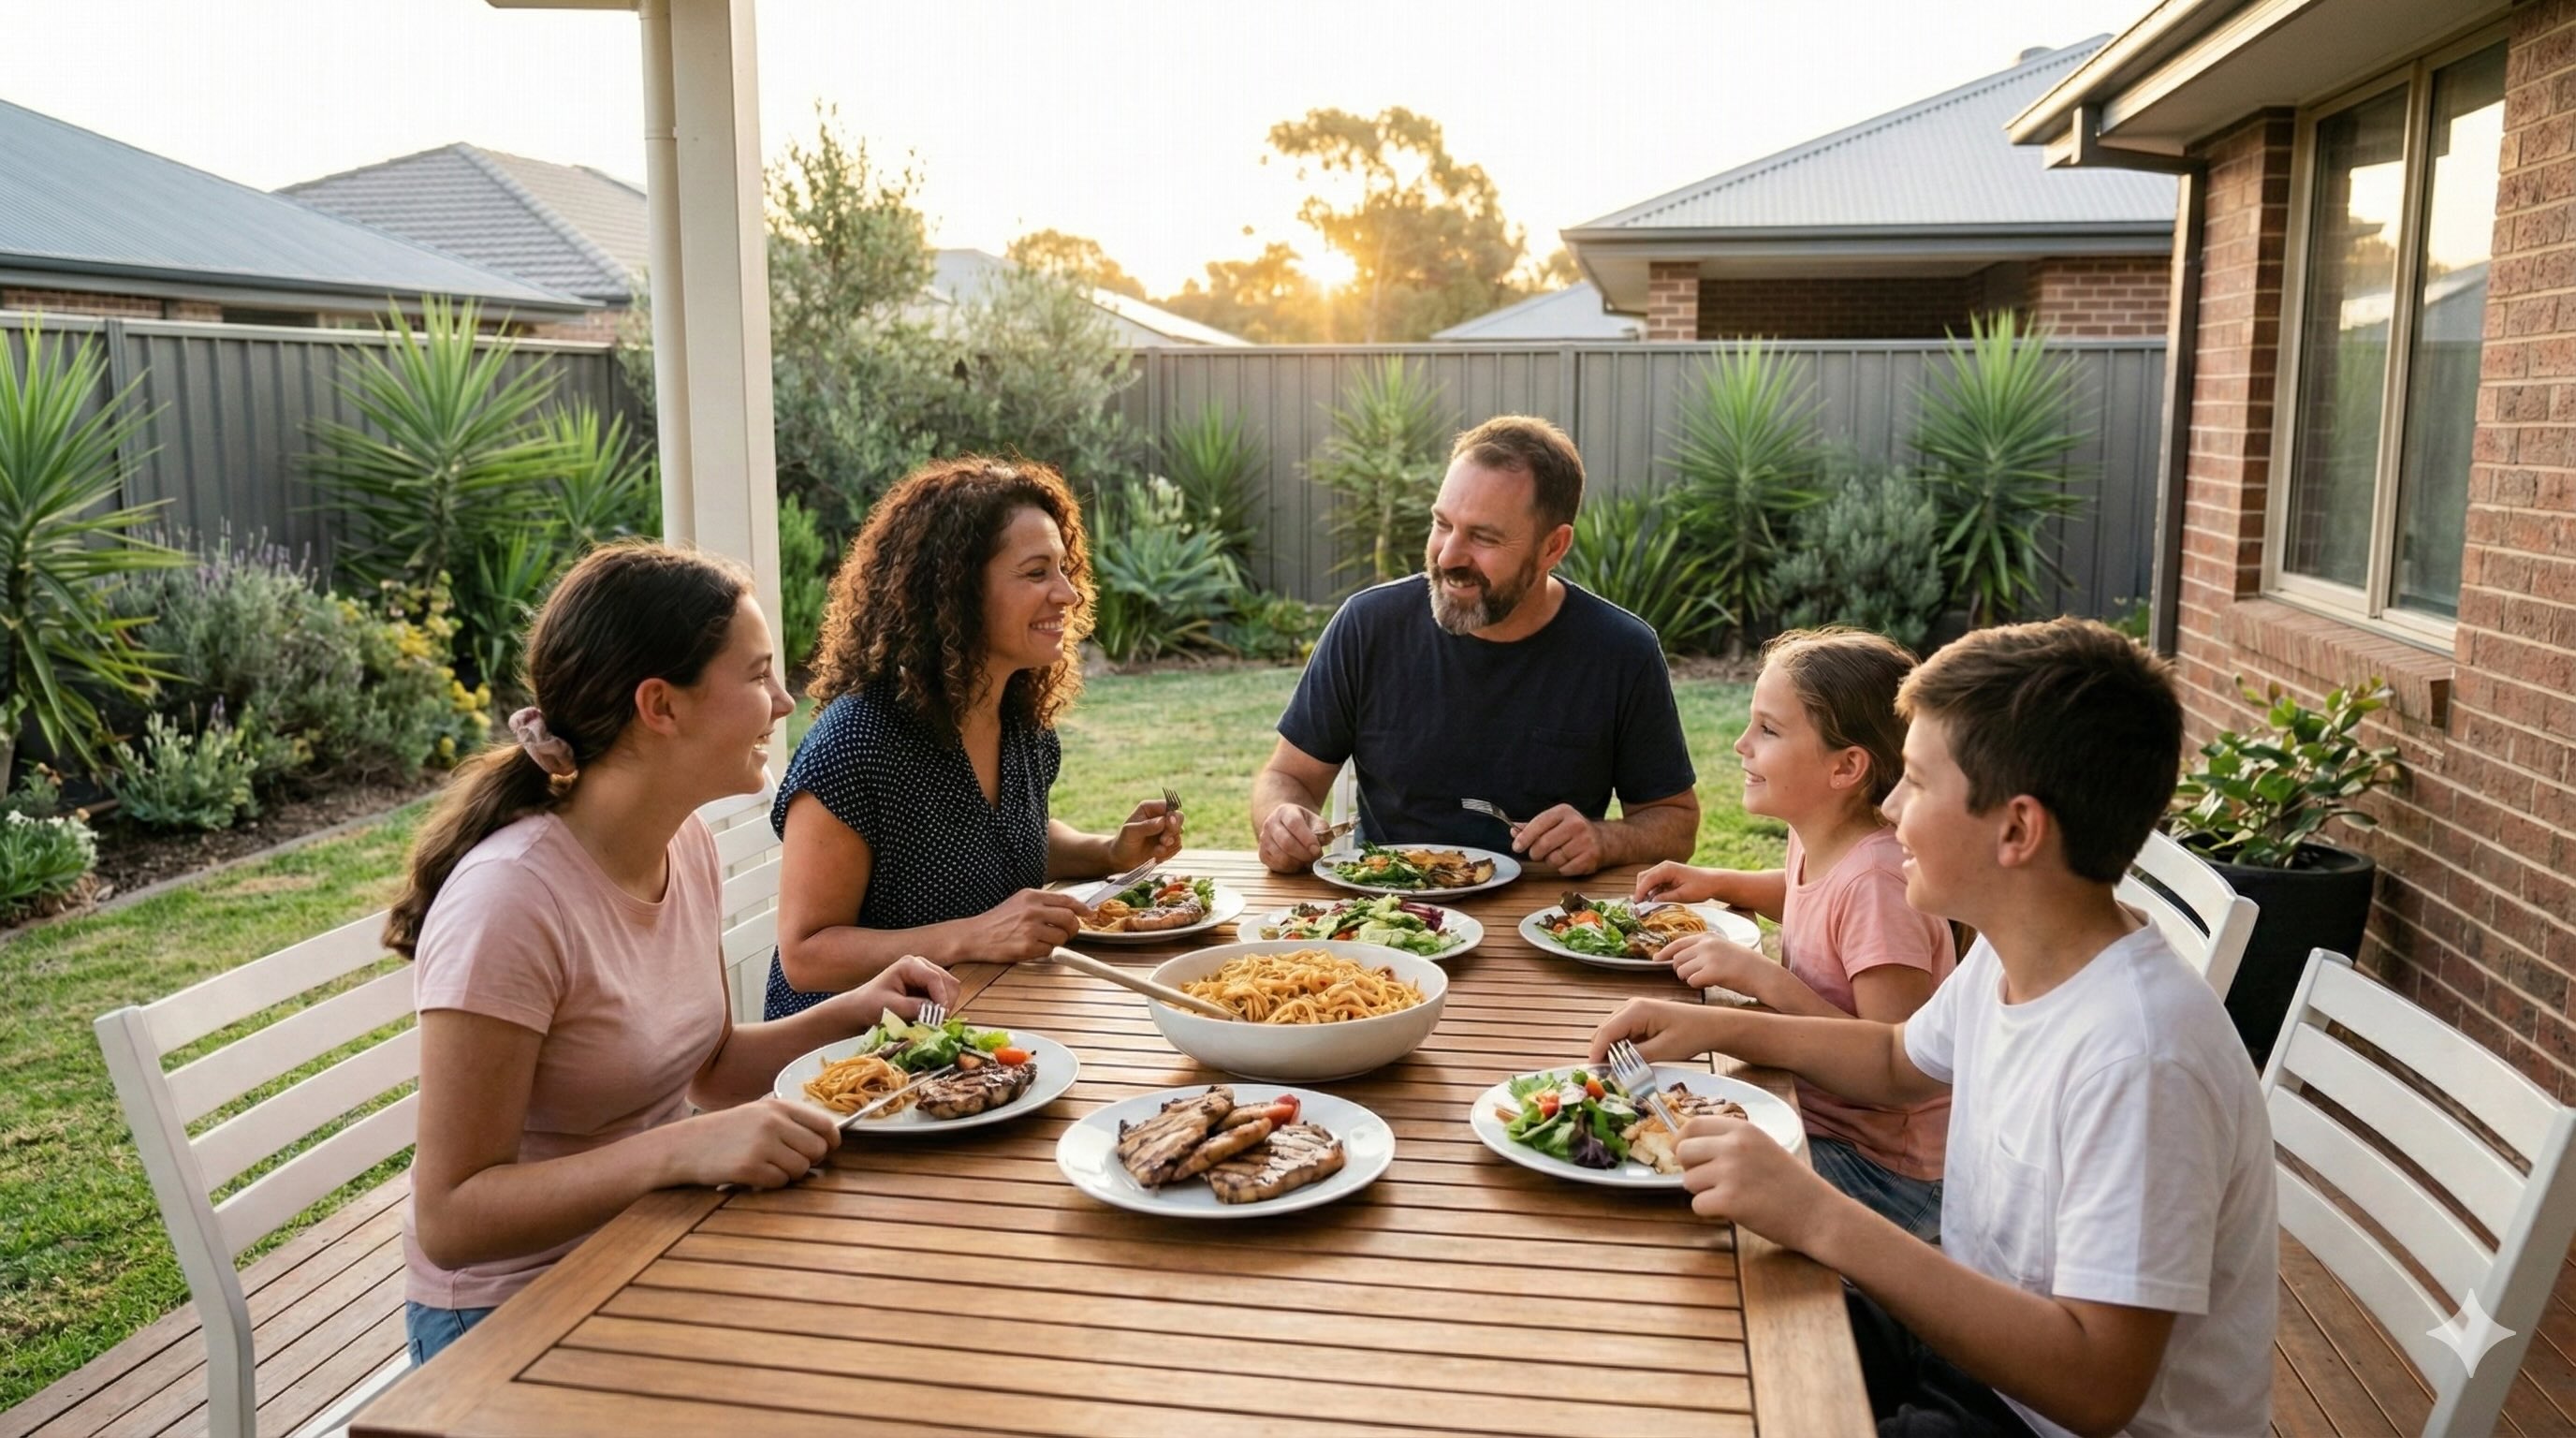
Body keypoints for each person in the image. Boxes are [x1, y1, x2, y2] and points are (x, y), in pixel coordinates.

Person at [1590, 619, 2275, 1438]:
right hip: (1969, 1350)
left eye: (1914, 782)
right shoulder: (2018, 953)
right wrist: (1717, 1029)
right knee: (1691, 1332)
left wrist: (1816, 1214)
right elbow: (1891, 1058)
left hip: (2037, 1415)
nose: (1888, 807)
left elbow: (2098, 1387)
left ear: (2016, 830)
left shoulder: (2140, 1060)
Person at [393, 542, 959, 1367]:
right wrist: (684, 1148)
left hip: (656, 1239)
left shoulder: (681, 841)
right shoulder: (509, 904)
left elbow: (710, 1066)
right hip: (513, 1317)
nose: (782, 700)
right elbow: (451, 1220)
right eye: (758, 674)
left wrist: (857, 1010)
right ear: (661, 705)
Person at [766, 457, 1181, 1020]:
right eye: (1036, 573)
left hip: (982, 1021)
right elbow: (807, 955)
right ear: (957, 589)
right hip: (857, 1060)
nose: (1068, 594)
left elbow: (996, 838)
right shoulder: (858, 741)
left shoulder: (1018, 720)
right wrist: (975, 936)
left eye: (1063, 569)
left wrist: (1108, 851)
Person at [1251, 415, 1697, 877]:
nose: (1447, 556)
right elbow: (1288, 777)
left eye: (1483, 537)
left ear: (1553, 547)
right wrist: (1282, 819)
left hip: (1544, 920)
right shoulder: (1368, 626)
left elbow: (1676, 823)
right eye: (1442, 524)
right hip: (1390, 912)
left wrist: (1604, 839)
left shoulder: (1621, 650)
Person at [1630, 627, 1954, 1241]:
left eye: (1768, 731)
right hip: (1815, 1117)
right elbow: (1809, 896)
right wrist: (1716, 880)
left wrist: (1763, 979)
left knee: (1678, 1187)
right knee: (1658, 1141)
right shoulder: (1822, 837)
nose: (1740, 744)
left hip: (1889, 1172)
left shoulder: (1880, 883)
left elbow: (1893, 1058)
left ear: (1847, 767)